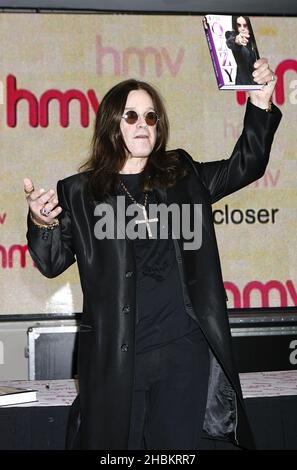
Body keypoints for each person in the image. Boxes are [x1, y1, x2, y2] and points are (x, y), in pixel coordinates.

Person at [24, 59, 281, 450]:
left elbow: (245, 165)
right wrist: (42, 222)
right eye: (131, 116)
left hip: (185, 352)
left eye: (150, 116)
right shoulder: (79, 192)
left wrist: (261, 102)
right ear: (113, 124)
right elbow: (51, 262)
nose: (142, 124)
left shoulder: (182, 174)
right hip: (118, 359)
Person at [225, 15, 259, 86]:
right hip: (243, 84)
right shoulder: (232, 35)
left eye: (245, 25)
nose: (242, 29)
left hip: (258, 84)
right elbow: (230, 41)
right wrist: (237, 40)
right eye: (239, 25)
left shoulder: (255, 38)